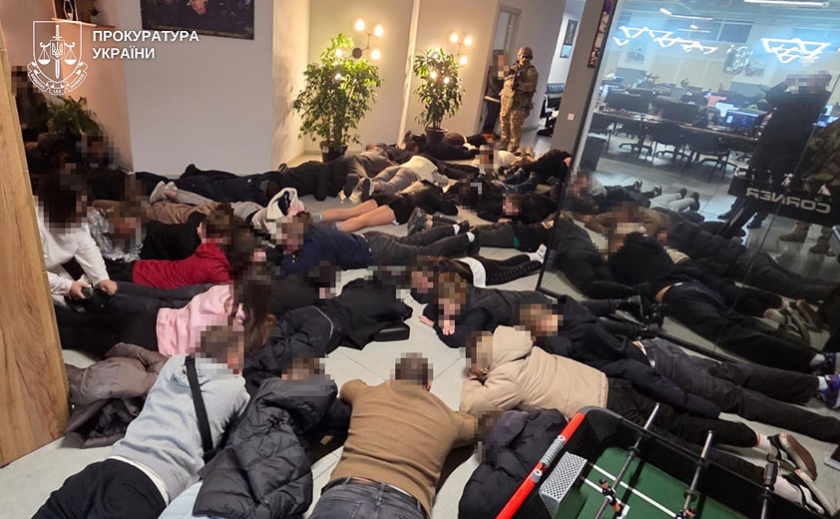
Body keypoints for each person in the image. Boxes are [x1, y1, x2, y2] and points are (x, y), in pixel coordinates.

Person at [461, 326, 834, 516]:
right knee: (688, 424)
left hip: (608, 411)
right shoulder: (524, 345)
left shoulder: (504, 378)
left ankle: (785, 488)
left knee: (685, 452)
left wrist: (471, 381)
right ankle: (766, 442)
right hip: (616, 384)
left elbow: (471, 407)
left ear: (482, 364)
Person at [519, 302, 840, 442]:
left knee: (738, 398)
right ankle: (821, 384)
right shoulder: (573, 313)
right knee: (733, 374)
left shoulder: (562, 344)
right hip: (655, 348)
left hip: (657, 365)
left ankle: (829, 426)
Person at [33, 325, 251, 519]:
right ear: (234, 359)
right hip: (147, 487)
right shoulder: (235, 388)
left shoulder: (174, 364)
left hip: (105, 468)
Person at [309, 354, 477, 519]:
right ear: (428, 385)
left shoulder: (368, 394)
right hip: (406, 504)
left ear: (393, 378)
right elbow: (475, 428)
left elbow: (348, 386)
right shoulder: (447, 417)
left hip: (347, 492)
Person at [721, 71, 832, 229]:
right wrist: (785, 83)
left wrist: (794, 86)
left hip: (786, 148)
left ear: (825, 83)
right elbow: (771, 96)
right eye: (811, 78)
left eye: (816, 79)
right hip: (768, 141)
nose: (810, 81)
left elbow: (782, 100)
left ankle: (759, 216)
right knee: (751, 177)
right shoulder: (799, 93)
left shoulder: (819, 98)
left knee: (773, 184)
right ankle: (735, 209)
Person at [272, 213, 477, 276]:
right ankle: (456, 228)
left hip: (378, 252)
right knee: (416, 240)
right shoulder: (314, 229)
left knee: (425, 252)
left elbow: (291, 269)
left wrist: (285, 255)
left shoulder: (314, 246)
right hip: (371, 238)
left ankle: (468, 237)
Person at [36, 173, 118, 305]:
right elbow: (31, 273)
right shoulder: (35, 227)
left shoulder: (77, 217)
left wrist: (101, 278)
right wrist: (67, 287)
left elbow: (86, 247)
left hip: (56, 271)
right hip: (32, 279)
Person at [779, 117, 840, 256]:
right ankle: (799, 232)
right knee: (806, 200)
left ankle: (824, 242)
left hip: (837, 178)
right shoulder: (837, 123)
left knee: (832, 209)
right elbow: (817, 139)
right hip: (821, 169)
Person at [499, 47, 539, 153]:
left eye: (527, 57)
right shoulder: (512, 68)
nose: (524, 59)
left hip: (519, 102)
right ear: (518, 56)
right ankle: (503, 146)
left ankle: (513, 148)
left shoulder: (531, 72)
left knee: (514, 126)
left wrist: (520, 85)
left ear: (530, 58)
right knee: (504, 124)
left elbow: (531, 87)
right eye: (522, 56)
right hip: (506, 101)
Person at [482, 51, 507, 135]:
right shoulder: (493, 69)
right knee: (490, 117)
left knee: (494, 118)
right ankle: (485, 134)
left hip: (498, 98)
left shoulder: (502, 70)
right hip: (492, 97)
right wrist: (500, 92)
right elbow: (492, 82)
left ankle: (490, 133)